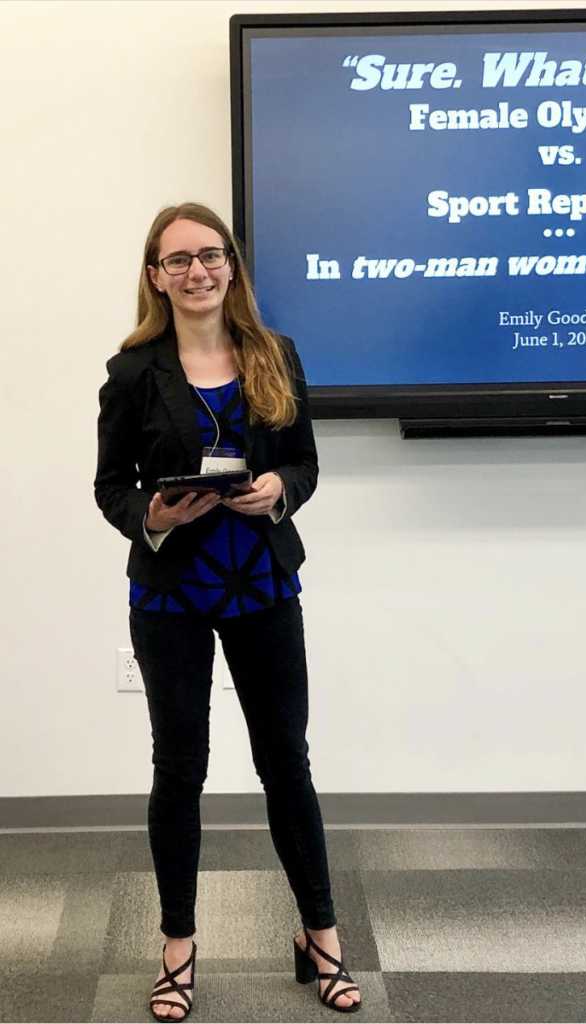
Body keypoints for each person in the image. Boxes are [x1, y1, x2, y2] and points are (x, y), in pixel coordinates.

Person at [94, 203, 361, 1019]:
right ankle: (178, 945)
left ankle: (321, 935)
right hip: (172, 592)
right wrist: (155, 514)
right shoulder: (134, 370)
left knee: (287, 763)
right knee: (180, 771)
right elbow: (110, 487)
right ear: (156, 276)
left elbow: (306, 462)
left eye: (209, 255)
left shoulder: (274, 355)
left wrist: (281, 489)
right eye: (177, 260)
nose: (196, 271)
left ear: (231, 266)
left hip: (263, 586)